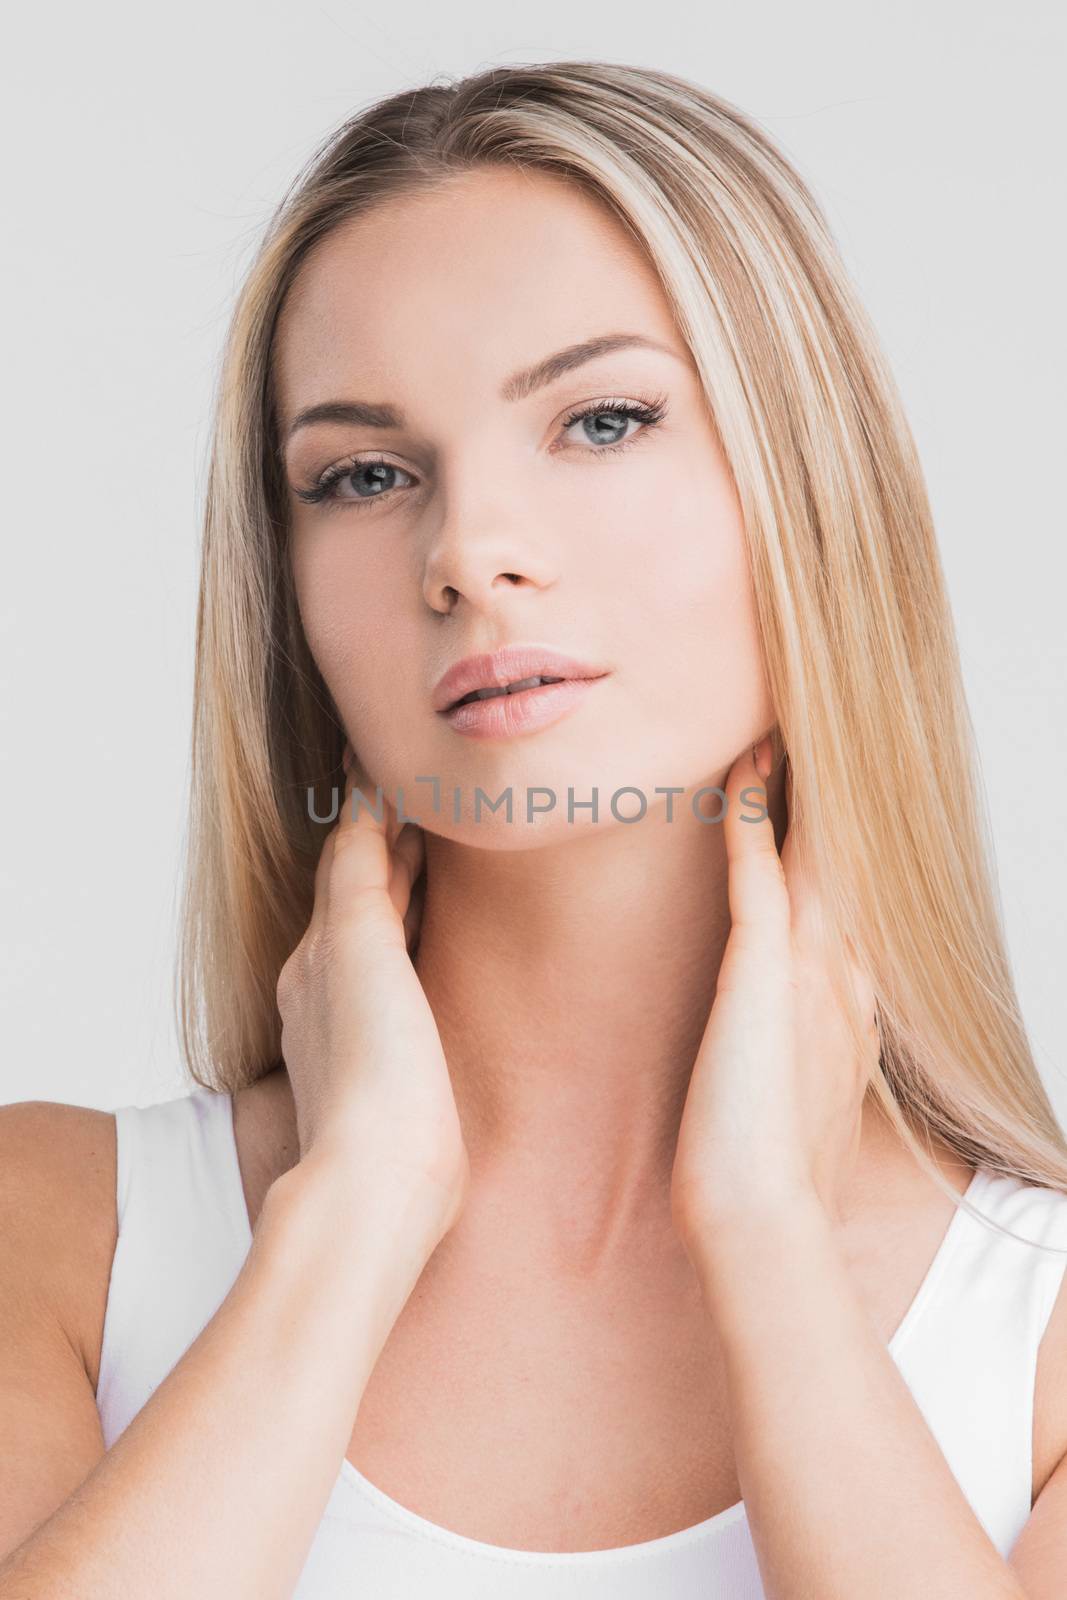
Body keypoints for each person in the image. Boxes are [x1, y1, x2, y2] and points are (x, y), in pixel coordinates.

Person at [1, 59, 1065, 1600]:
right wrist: (350, 1211)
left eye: (604, 419)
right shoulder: (54, 1239)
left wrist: (765, 1243)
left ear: (806, 493)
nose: (470, 551)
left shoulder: (1035, 1338)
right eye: (363, 474)